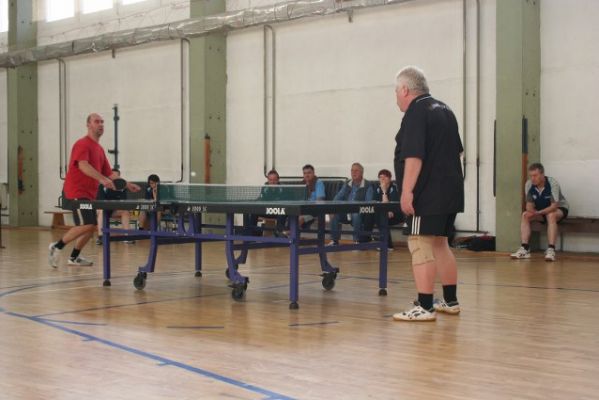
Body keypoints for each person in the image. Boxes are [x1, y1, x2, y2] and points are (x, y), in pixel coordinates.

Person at [391, 66, 464, 322]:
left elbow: (414, 155)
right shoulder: (444, 109)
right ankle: (450, 301)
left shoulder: (416, 112)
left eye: (396, 91)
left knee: (419, 243)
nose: (395, 97)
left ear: (405, 89)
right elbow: (458, 151)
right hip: (450, 190)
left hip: (427, 193)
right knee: (440, 243)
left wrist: (407, 191)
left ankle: (425, 306)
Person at [48, 113, 140, 267]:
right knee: (87, 225)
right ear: (88, 125)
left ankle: (74, 257)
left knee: (90, 227)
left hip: (89, 195)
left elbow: (109, 173)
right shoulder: (82, 144)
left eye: (102, 122)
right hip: (75, 192)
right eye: (97, 121)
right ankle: (56, 246)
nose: (100, 124)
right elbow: (83, 165)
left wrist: (127, 184)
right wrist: (102, 180)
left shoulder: (99, 149)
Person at [510, 163, 569, 262]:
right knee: (525, 215)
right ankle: (525, 248)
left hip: (559, 209)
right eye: (531, 176)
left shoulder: (552, 183)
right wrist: (533, 212)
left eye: (535, 175)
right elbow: (529, 205)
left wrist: (539, 212)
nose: (532, 178)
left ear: (542, 174)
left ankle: (551, 250)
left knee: (551, 215)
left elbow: (554, 206)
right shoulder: (529, 184)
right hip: (541, 211)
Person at [328, 162, 374, 245]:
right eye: (352, 170)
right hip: (346, 211)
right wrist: (332, 208)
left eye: (356, 171)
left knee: (355, 214)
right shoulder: (347, 184)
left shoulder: (368, 185)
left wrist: (357, 208)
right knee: (334, 214)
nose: (353, 173)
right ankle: (334, 240)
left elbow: (369, 202)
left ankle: (357, 241)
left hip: (360, 212)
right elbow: (338, 197)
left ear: (362, 173)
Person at [243, 169, 287, 237]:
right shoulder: (265, 188)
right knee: (253, 212)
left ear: (278, 180)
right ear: (268, 180)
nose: (272, 182)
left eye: (274, 180)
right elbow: (261, 199)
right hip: (266, 211)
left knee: (282, 213)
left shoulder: (283, 189)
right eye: (270, 180)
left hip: (277, 212)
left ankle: (279, 233)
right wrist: (254, 202)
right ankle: (252, 233)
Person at [366, 169, 403, 250]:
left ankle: (387, 245)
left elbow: (391, 206)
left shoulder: (394, 188)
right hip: (384, 214)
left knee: (381, 216)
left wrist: (384, 191)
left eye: (385, 177)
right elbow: (375, 203)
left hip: (396, 214)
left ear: (390, 179)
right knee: (369, 214)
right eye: (380, 177)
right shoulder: (377, 188)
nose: (382, 179)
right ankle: (365, 241)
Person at [96, 168, 134, 245]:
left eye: (116, 177)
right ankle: (101, 237)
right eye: (112, 177)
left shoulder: (122, 188)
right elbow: (100, 201)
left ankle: (127, 236)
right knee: (102, 211)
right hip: (102, 209)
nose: (113, 179)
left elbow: (123, 201)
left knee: (125, 212)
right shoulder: (102, 186)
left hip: (114, 209)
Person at [299, 164, 326, 228]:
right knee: (289, 215)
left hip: (313, 211)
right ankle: (284, 232)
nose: (307, 175)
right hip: (302, 209)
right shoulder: (302, 184)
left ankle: (288, 232)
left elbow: (320, 200)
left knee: (299, 218)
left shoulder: (318, 183)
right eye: (305, 173)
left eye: (309, 173)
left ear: (313, 173)